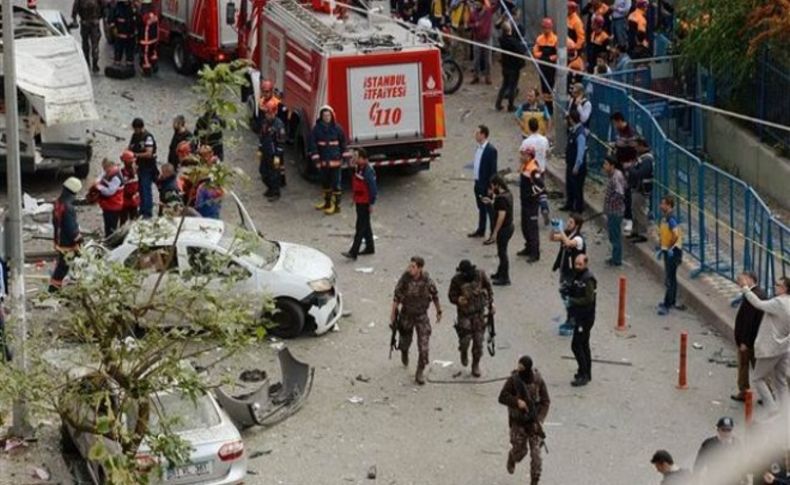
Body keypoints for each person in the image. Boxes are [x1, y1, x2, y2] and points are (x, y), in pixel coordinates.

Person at [740, 276, 790, 416]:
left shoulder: (779, 302)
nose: (775, 286)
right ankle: (786, 411)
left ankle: (772, 408)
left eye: (778, 285)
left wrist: (745, 289)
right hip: (784, 348)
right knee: (781, 381)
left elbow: (758, 304)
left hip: (771, 348)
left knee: (757, 378)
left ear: (785, 288)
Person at [498, 355, 550, 485]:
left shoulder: (537, 380)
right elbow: (502, 397)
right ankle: (512, 457)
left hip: (534, 424)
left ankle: (534, 481)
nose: (519, 369)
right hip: (518, 423)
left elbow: (546, 401)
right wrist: (516, 402)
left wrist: (540, 419)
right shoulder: (514, 380)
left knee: (537, 458)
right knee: (520, 453)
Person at [391, 257, 443, 385]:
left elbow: (435, 295)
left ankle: (420, 371)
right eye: (410, 266)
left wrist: (439, 311)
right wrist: (393, 313)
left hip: (421, 316)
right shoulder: (405, 279)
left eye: (413, 267)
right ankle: (404, 351)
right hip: (406, 314)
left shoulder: (427, 281)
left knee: (424, 346)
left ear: (420, 268)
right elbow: (396, 297)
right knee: (405, 341)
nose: (410, 269)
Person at [448, 260, 494, 375]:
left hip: (479, 313)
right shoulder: (456, 280)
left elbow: (489, 288)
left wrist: (491, 304)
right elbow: (451, 295)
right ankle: (463, 352)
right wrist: (458, 300)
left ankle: (475, 364)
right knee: (465, 339)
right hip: (465, 314)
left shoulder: (480, 275)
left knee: (478, 342)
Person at [731, 271, 766, 402]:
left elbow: (749, 322)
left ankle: (745, 392)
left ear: (750, 279)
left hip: (750, 340)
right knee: (758, 367)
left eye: (742, 279)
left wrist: (744, 341)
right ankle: (766, 394)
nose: (739, 282)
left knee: (746, 366)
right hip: (753, 339)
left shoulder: (754, 296)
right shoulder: (757, 294)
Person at [309, 105, 348, 215]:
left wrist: (345, 157)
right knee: (325, 183)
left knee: (336, 184)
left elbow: (343, 144)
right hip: (323, 162)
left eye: (328, 115)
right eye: (325, 115)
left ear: (332, 116)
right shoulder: (317, 129)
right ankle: (327, 203)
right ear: (321, 117)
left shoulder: (337, 129)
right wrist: (316, 159)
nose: (327, 117)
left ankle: (336, 207)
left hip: (335, 162)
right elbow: (313, 145)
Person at [564, 254, 596, 386]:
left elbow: (588, 299)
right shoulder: (578, 276)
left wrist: (572, 300)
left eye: (580, 264)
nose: (577, 267)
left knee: (576, 345)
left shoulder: (588, 279)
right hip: (579, 316)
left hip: (585, 317)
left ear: (586, 264)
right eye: (576, 264)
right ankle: (586, 372)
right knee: (583, 345)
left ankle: (583, 374)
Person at [550, 214, 585, 334]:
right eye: (568, 222)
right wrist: (554, 228)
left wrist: (560, 231)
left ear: (577, 225)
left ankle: (573, 320)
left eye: (571, 223)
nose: (568, 224)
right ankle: (571, 317)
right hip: (565, 270)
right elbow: (553, 238)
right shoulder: (567, 233)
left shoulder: (579, 239)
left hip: (574, 273)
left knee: (571, 296)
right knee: (565, 294)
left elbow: (569, 243)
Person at [49, 177, 83, 293]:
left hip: (59, 239)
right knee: (64, 267)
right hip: (67, 243)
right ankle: (53, 290)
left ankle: (55, 288)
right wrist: (78, 239)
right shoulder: (68, 208)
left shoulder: (58, 203)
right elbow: (71, 227)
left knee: (63, 266)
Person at [342, 148, 378, 260]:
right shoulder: (359, 168)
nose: (354, 158)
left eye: (357, 157)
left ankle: (353, 252)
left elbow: (373, 189)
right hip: (360, 201)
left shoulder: (368, 171)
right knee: (366, 225)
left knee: (360, 227)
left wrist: (371, 203)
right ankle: (370, 247)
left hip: (364, 203)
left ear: (363, 158)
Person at [519, 117, 551, 224]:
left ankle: (532, 214)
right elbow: (547, 153)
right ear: (538, 126)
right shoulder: (544, 140)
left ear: (529, 127)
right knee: (541, 190)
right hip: (541, 169)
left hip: (529, 171)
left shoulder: (526, 142)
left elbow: (522, 157)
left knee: (531, 192)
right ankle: (544, 208)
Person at [468, 125, 498, 238]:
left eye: (477, 133)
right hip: (478, 182)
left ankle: (493, 233)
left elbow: (493, 170)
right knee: (481, 208)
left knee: (490, 209)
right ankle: (481, 229)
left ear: (483, 135)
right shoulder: (478, 148)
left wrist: (491, 187)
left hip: (486, 184)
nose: (475, 135)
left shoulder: (491, 150)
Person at [484, 175, 515, 285]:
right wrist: (491, 202)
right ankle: (500, 272)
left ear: (497, 185)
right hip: (509, 226)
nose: (492, 189)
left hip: (504, 229)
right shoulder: (507, 194)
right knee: (501, 251)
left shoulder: (501, 198)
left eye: (492, 186)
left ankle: (505, 277)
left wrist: (495, 232)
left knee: (502, 253)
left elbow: (501, 215)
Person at [693, 417, 742, 484]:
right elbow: (698, 465)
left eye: (729, 430)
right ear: (718, 429)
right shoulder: (709, 444)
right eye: (723, 430)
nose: (726, 433)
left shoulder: (737, 444)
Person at [516, 146, 543, 263]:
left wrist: (530, 195)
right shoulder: (525, 166)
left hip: (531, 204)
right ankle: (528, 248)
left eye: (523, 155)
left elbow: (540, 186)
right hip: (525, 202)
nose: (521, 157)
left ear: (529, 156)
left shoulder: (533, 169)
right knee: (525, 227)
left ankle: (535, 253)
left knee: (532, 229)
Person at [610, 112, 637, 233]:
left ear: (619, 121)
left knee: (626, 194)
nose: (615, 126)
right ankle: (622, 215)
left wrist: (629, 165)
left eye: (615, 123)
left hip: (626, 168)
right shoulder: (620, 132)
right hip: (619, 167)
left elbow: (633, 151)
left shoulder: (630, 133)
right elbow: (620, 145)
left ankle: (629, 219)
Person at [656, 196, 682, 315]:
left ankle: (667, 304)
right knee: (672, 277)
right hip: (668, 251)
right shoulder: (665, 218)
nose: (661, 206)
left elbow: (676, 235)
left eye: (663, 204)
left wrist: (670, 247)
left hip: (673, 252)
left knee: (670, 279)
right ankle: (671, 301)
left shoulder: (671, 219)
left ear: (669, 206)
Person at [128, 118, 158, 219]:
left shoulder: (148, 137)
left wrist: (135, 155)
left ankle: (147, 213)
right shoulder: (134, 136)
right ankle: (142, 209)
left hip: (148, 167)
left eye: (136, 129)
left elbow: (149, 153)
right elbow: (130, 147)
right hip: (139, 167)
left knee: (146, 189)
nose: (135, 131)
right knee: (140, 189)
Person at [626, 138, 653, 243]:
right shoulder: (641, 157)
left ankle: (642, 233)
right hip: (636, 188)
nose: (635, 148)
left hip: (642, 189)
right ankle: (635, 231)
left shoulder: (647, 159)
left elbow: (640, 173)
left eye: (637, 146)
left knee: (639, 210)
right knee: (635, 209)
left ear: (642, 145)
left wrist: (630, 168)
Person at [258, 101, 287, 201]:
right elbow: (262, 137)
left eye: (269, 113)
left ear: (274, 113)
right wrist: (260, 149)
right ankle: (270, 188)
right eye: (266, 113)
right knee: (263, 172)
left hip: (274, 154)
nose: (267, 115)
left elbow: (281, 142)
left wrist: (278, 156)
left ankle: (275, 192)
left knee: (274, 174)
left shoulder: (279, 125)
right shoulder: (264, 123)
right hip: (266, 152)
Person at [495, 21, 525, 112]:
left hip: (505, 65)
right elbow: (521, 50)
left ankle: (498, 104)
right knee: (512, 86)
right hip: (513, 66)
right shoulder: (512, 41)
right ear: (510, 30)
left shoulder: (502, 39)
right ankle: (510, 106)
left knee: (504, 85)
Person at [562, 110, 587, 214]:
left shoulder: (580, 133)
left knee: (577, 188)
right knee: (570, 185)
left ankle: (578, 208)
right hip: (570, 163)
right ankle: (570, 204)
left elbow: (580, 153)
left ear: (571, 120)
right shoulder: (573, 130)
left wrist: (577, 166)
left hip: (577, 166)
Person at [602, 156, 626, 266]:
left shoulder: (615, 177)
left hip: (615, 212)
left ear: (612, 165)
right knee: (613, 235)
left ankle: (617, 259)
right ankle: (615, 257)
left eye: (606, 164)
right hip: (613, 211)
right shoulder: (615, 175)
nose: (604, 166)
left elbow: (619, 193)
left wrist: (610, 203)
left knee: (615, 236)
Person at [533, 18, 558, 115]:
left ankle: (550, 106)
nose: (546, 30)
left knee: (550, 86)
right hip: (542, 65)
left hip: (551, 67)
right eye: (544, 28)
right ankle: (547, 106)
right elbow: (535, 52)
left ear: (551, 28)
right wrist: (542, 56)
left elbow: (558, 54)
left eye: (547, 28)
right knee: (544, 86)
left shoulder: (555, 39)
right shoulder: (539, 39)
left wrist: (551, 58)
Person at [95, 158, 124, 238]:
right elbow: (101, 176)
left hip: (114, 206)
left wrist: (99, 187)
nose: (104, 170)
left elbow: (109, 192)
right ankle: (107, 237)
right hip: (107, 205)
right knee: (107, 224)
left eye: (105, 168)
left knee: (111, 226)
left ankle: (111, 240)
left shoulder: (116, 177)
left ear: (110, 166)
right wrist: (97, 181)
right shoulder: (108, 172)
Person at [72, 0, 104, 72]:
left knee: (87, 44)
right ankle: (93, 64)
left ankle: (88, 63)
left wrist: (74, 19)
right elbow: (104, 8)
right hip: (92, 24)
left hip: (86, 23)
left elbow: (75, 9)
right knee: (93, 45)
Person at [469, 0, 494, 85]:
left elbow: (497, 5)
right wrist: (474, 25)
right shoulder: (473, 13)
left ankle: (488, 76)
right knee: (476, 59)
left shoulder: (488, 11)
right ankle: (476, 76)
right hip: (477, 39)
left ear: (482, 4)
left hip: (487, 39)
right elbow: (469, 24)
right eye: (475, 3)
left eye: (478, 3)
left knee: (488, 59)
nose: (476, 5)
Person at [108, 0, 136, 70]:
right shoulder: (116, 7)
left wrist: (136, 30)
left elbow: (136, 20)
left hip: (130, 36)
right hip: (120, 36)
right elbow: (111, 20)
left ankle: (129, 66)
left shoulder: (132, 7)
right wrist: (114, 28)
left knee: (130, 53)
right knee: (118, 51)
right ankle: (117, 66)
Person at [137, 0, 159, 75]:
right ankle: (154, 66)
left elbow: (140, 24)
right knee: (153, 52)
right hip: (154, 38)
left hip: (145, 39)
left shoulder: (143, 12)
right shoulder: (153, 10)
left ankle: (146, 70)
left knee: (145, 55)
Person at [119, 150, 139, 225]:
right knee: (124, 221)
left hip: (132, 201)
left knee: (134, 221)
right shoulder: (122, 172)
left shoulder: (135, 171)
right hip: (126, 201)